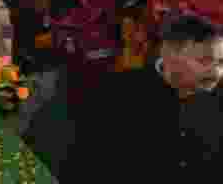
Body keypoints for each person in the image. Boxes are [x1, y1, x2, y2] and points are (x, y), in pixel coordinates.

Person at [68, 14, 222, 178]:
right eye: (204, 61)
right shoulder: (112, 94)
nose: (215, 73)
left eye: (220, 62)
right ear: (170, 56)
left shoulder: (217, 100)